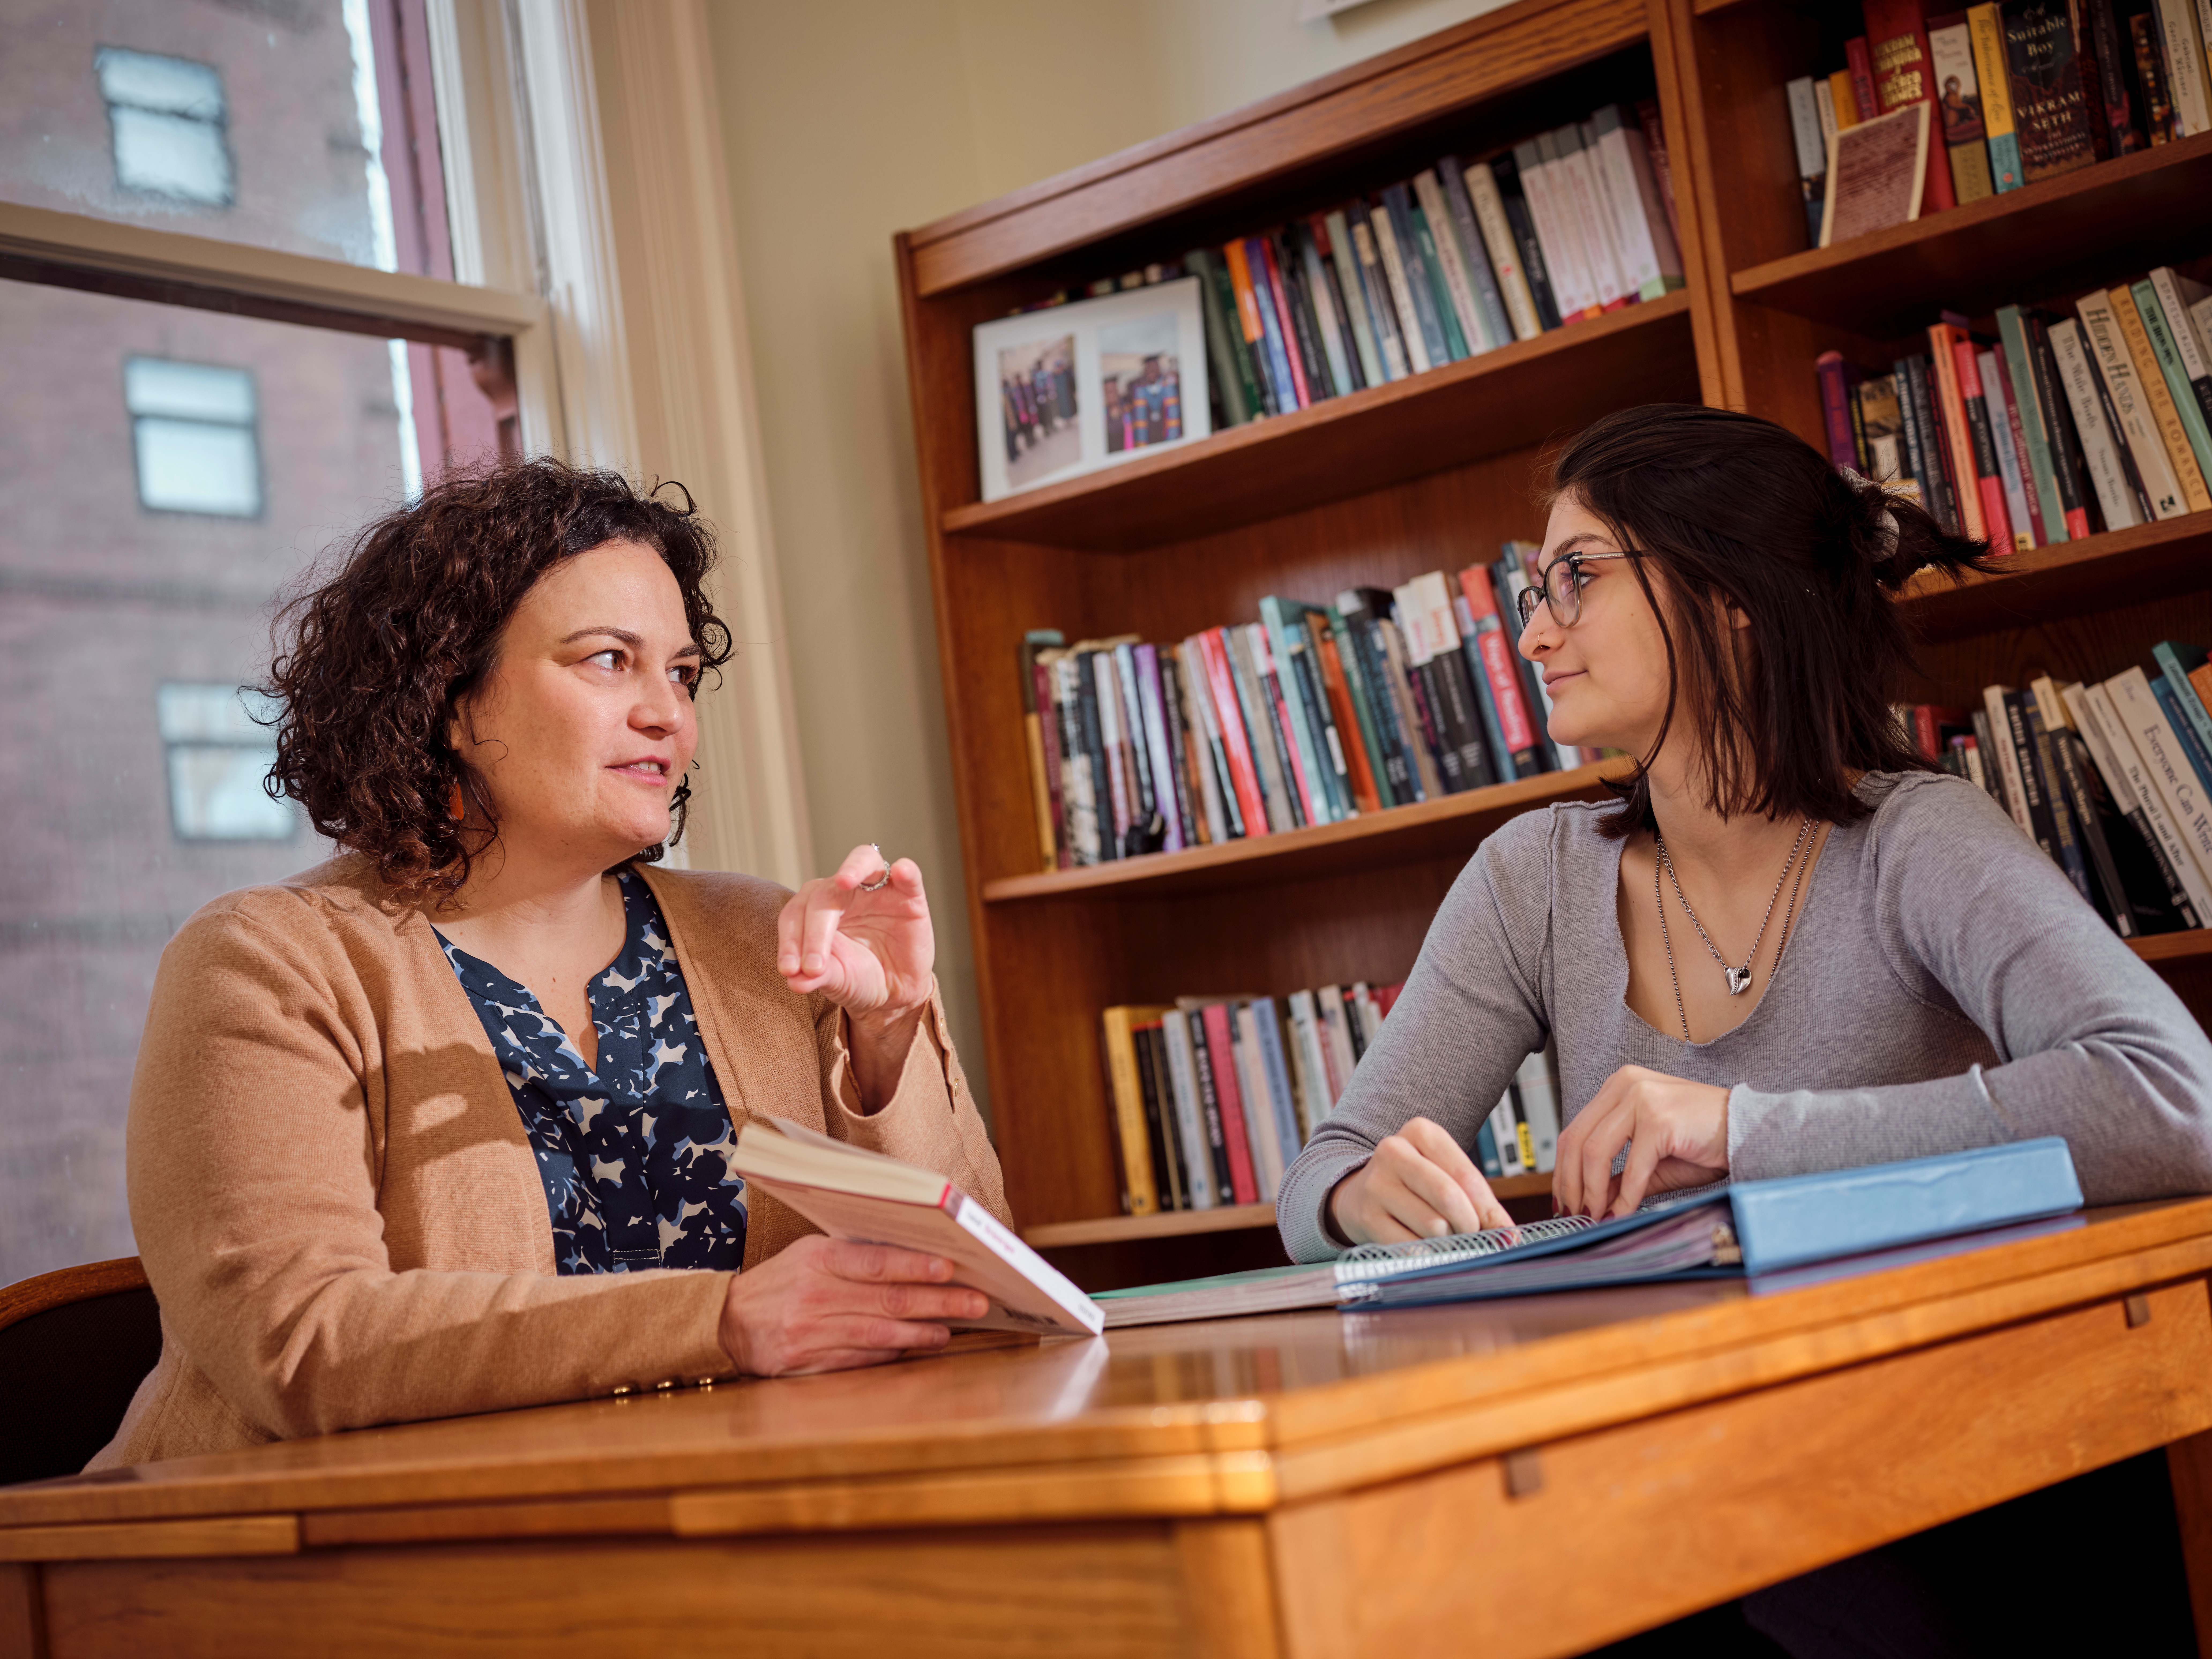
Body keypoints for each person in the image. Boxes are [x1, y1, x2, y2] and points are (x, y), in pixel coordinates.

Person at [89, 460, 1006, 1470]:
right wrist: (722, 1322)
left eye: (682, 674)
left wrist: (888, 1034)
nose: (666, 713)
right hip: (308, 1565)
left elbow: (974, 1297)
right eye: (609, 660)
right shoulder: (269, 961)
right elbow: (303, 1342)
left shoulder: (762, 934)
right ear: (446, 695)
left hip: (723, 1521)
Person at [1277, 402, 2212, 1258]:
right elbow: (1320, 1178)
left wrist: (1738, 1132)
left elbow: (2178, 1101)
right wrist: (1359, 1201)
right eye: (1538, 592)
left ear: (1733, 601)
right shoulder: (1532, 879)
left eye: (1577, 579)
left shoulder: (1918, 843)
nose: (1534, 638)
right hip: (1666, 1415)